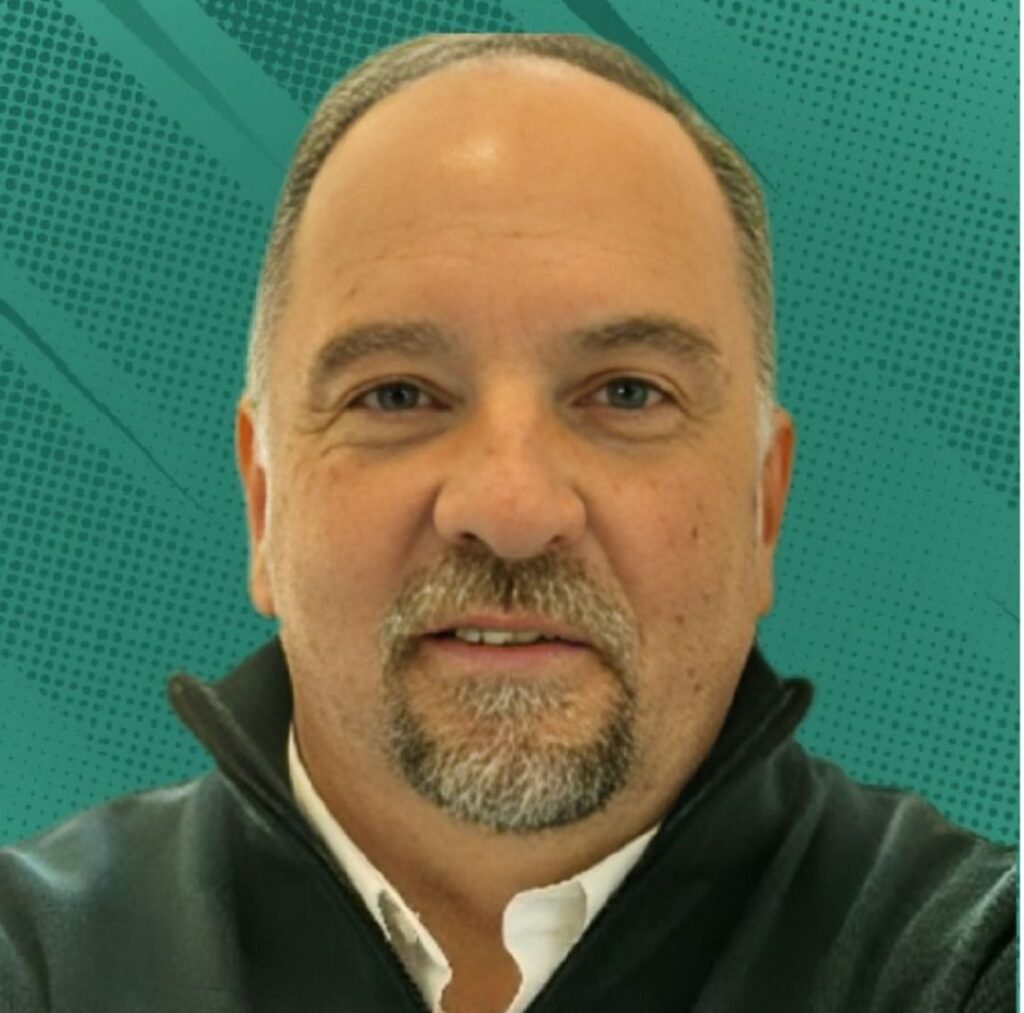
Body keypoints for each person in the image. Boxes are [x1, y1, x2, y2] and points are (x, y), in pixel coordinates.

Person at [0, 32, 1014, 1013]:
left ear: (764, 506)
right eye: (398, 394)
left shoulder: (970, 965)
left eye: (626, 393)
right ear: (263, 500)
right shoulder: (30, 963)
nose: (512, 508)